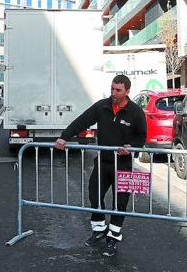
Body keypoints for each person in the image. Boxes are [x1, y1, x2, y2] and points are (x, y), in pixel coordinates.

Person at [54, 74, 146, 257]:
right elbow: (81, 121)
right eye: (112, 88)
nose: (114, 92)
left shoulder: (135, 112)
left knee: (120, 204)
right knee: (94, 196)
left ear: (127, 91)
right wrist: (64, 136)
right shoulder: (102, 106)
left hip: (124, 165)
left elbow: (142, 136)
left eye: (118, 90)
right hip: (103, 163)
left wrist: (132, 147)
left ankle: (113, 237)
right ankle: (99, 230)